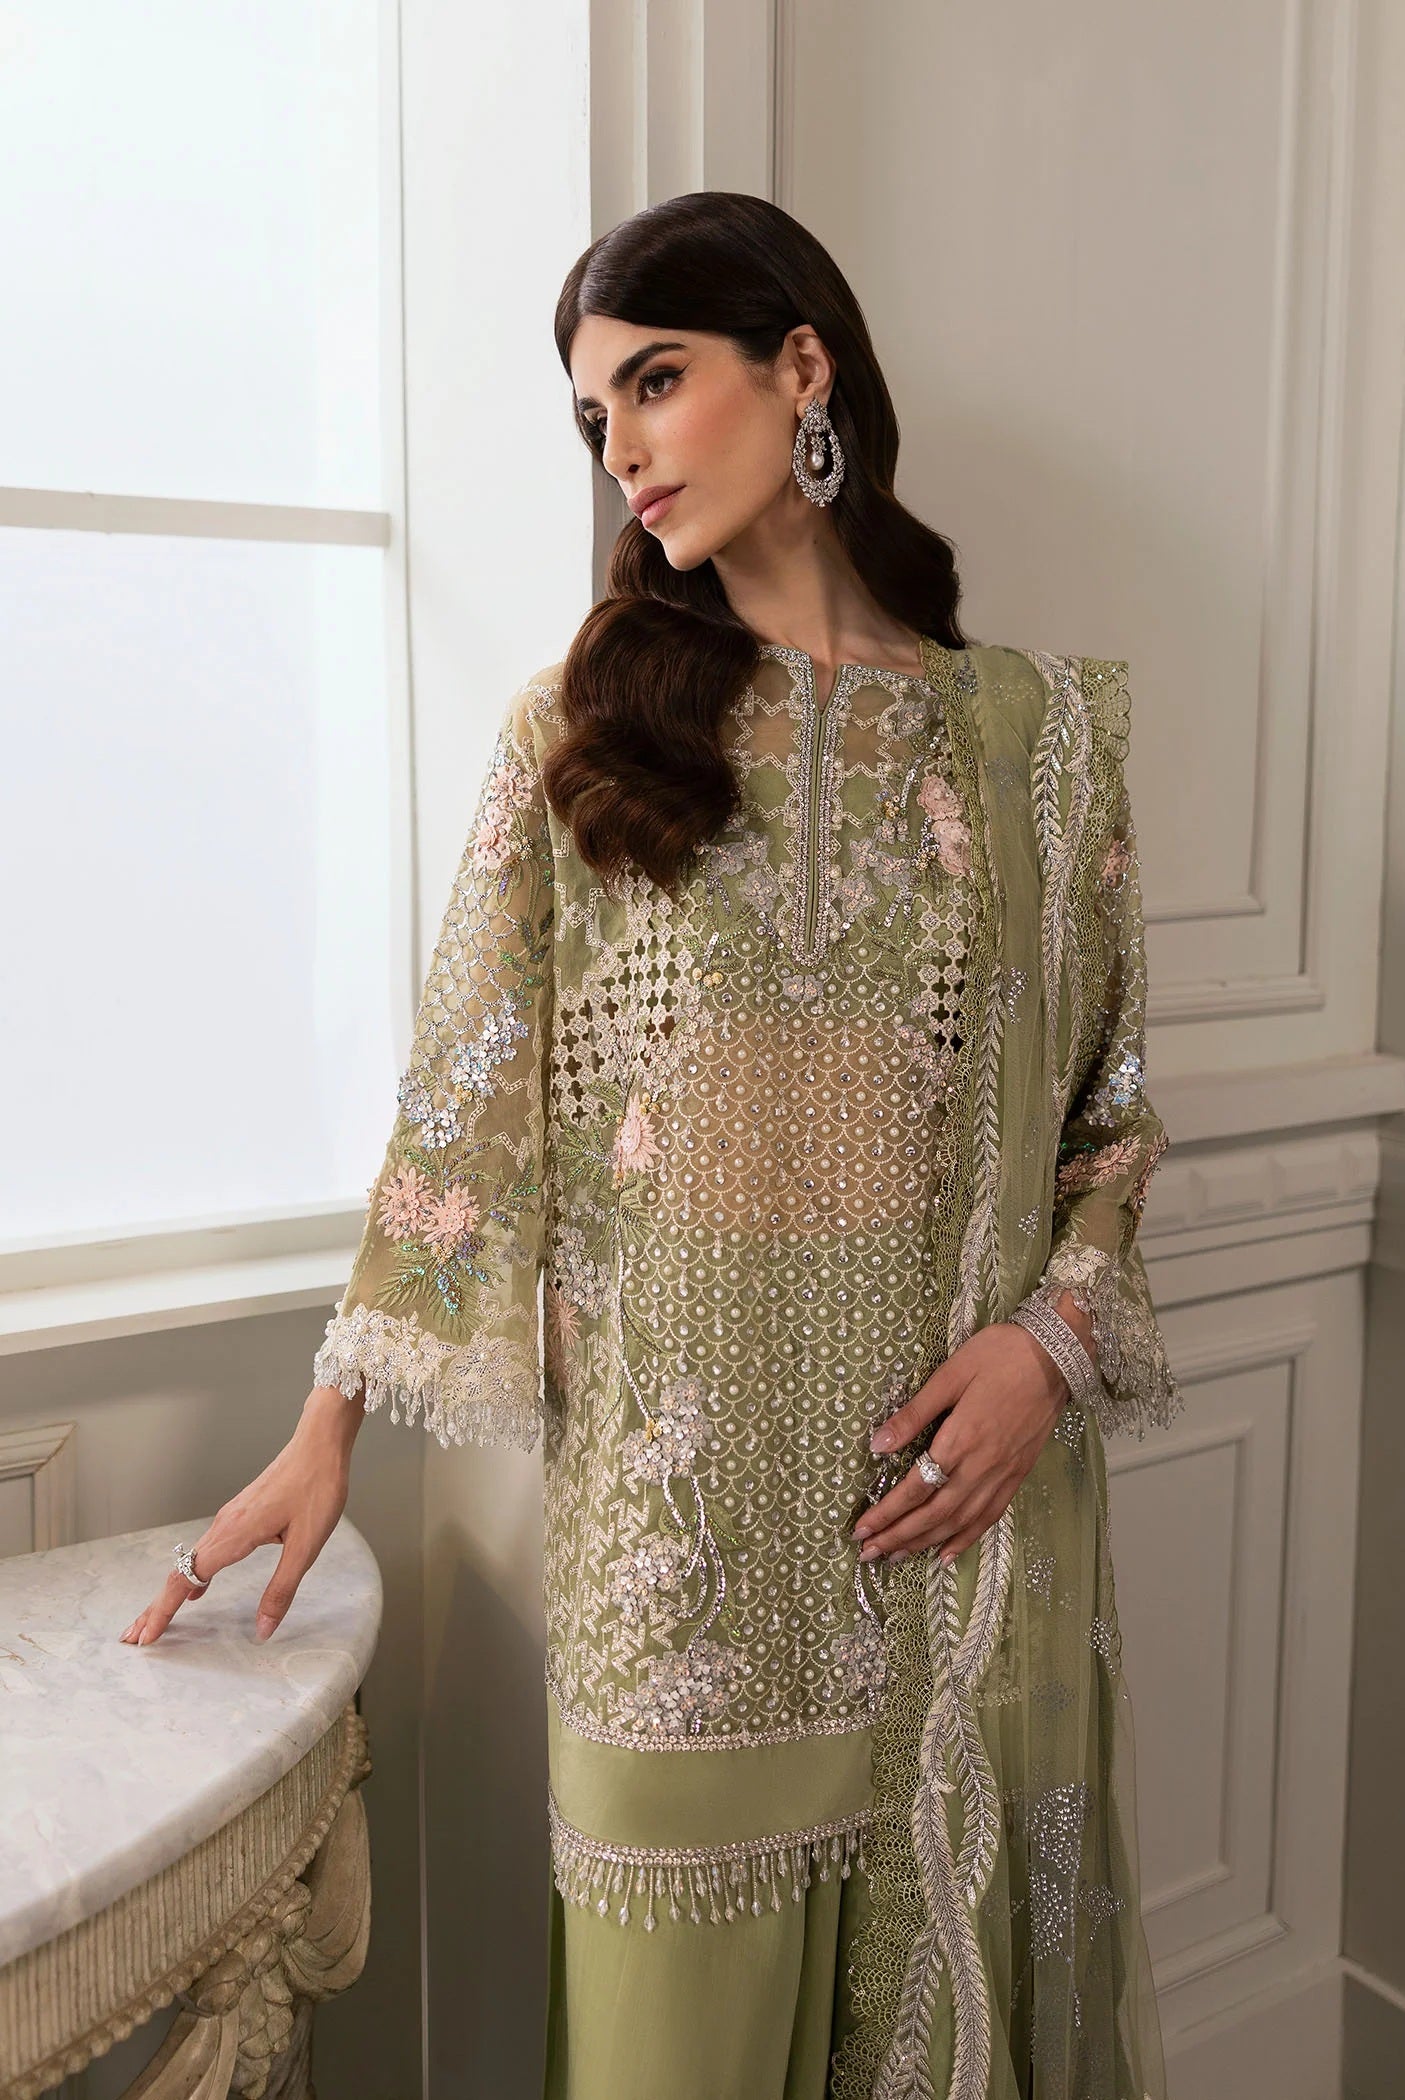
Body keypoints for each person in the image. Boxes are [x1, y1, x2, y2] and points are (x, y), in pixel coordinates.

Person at [119, 191, 1183, 2100]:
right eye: (591, 412)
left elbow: (1105, 1122)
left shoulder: (1035, 745)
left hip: (959, 1525)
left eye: (656, 381)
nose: (618, 444)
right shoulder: (583, 732)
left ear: (803, 366)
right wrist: (326, 1430)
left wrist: (1048, 1348)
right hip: (676, 1559)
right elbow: (464, 1103)